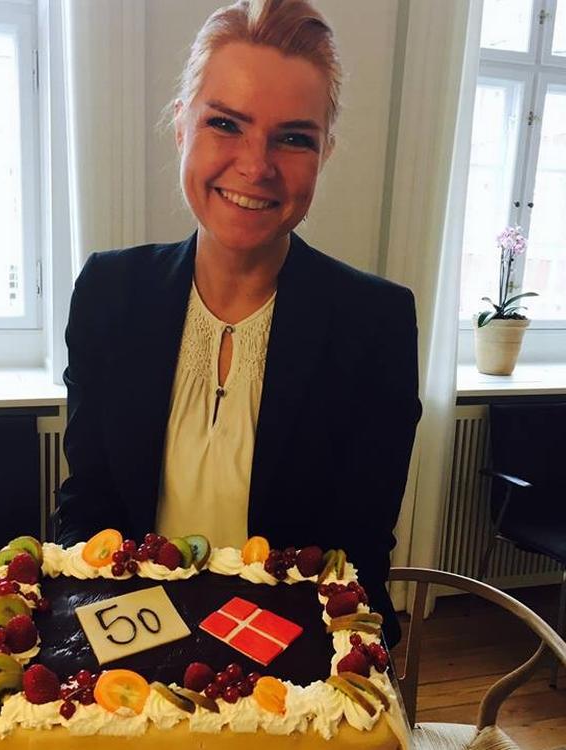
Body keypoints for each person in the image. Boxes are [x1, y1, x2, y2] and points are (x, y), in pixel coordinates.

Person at [56, 0, 421, 649]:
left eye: (294, 137)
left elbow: (358, 555)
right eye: (225, 123)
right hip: (132, 653)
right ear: (181, 126)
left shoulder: (375, 323)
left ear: (325, 152)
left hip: (294, 665)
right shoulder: (109, 293)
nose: (256, 166)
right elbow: (89, 516)